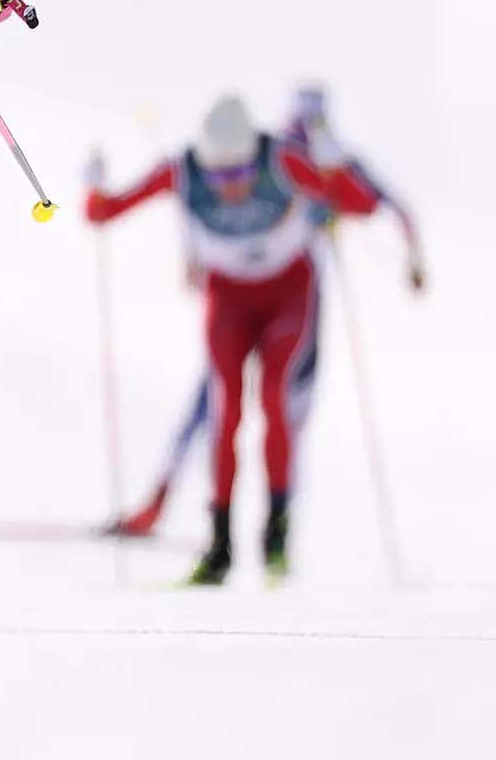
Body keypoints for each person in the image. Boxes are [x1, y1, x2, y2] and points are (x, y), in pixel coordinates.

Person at [85, 95, 392, 586]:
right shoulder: (184, 171)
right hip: (229, 300)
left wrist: (334, 169)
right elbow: (104, 213)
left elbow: (362, 205)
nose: (231, 186)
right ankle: (220, 547)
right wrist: (94, 186)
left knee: (274, 399)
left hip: (288, 294)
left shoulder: (283, 161)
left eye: (241, 173)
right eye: (220, 176)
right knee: (224, 408)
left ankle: (276, 538)